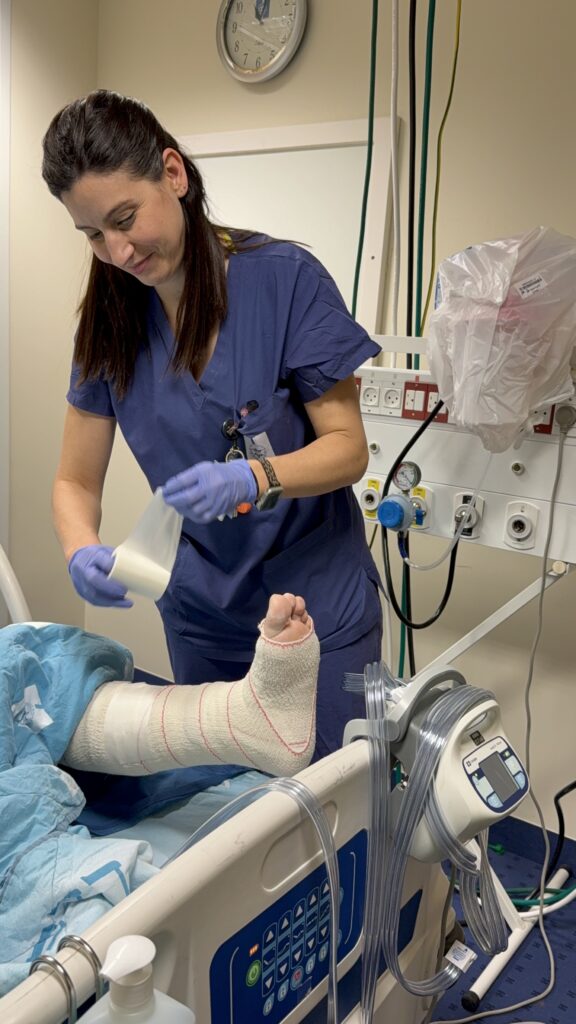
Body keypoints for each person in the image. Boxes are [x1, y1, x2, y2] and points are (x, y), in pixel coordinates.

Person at [42, 89, 383, 762]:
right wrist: (80, 548)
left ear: (173, 173)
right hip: (203, 615)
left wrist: (257, 477)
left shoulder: (284, 281)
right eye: (93, 234)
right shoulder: (109, 324)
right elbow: (74, 482)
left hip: (316, 606)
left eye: (125, 218)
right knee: (227, 806)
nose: (118, 250)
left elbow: (349, 451)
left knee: (330, 794)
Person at [63, 592, 319, 778]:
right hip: (198, 590)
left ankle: (247, 717)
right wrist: (80, 546)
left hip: (316, 566)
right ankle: (243, 716)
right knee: (54, 709)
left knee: (66, 688)